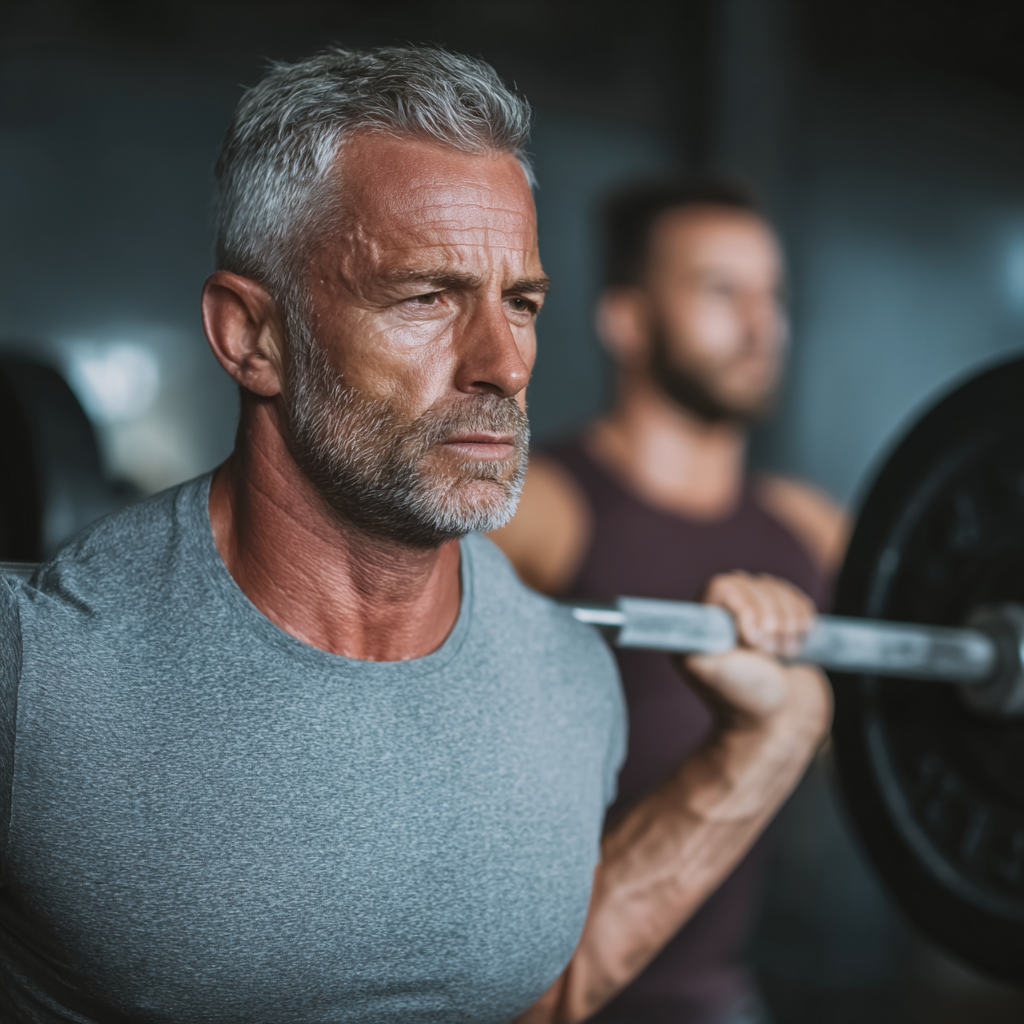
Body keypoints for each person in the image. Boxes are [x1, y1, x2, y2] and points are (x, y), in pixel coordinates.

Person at [0, 49, 831, 1024]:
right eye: (425, 297)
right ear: (250, 336)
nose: (501, 364)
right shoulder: (37, 672)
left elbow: (526, 996)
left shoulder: (565, 675)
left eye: (520, 304)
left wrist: (761, 748)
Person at [491, 180, 848, 1024]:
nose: (761, 325)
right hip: (532, 997)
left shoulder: (813, 532)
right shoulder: (535, 510)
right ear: (627, 319)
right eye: (722, 291)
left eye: (773, 296)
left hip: (718, 996)